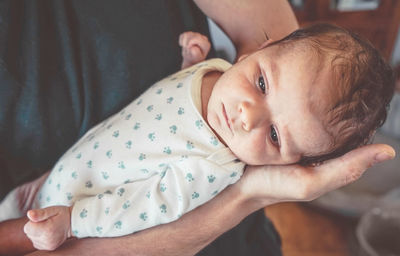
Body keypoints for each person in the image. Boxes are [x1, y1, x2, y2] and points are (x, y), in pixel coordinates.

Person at [0, 1, 395, 256]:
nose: (246, 116)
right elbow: (171, 111)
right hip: (59, 173)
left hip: (74, 211)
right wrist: (192, 65)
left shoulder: (212, 169)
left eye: (275, 136)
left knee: (17, 232)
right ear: (260, 47)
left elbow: (145, 207)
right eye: (261, 84)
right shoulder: (221, 73)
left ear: (290, 162)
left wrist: (73, 221)